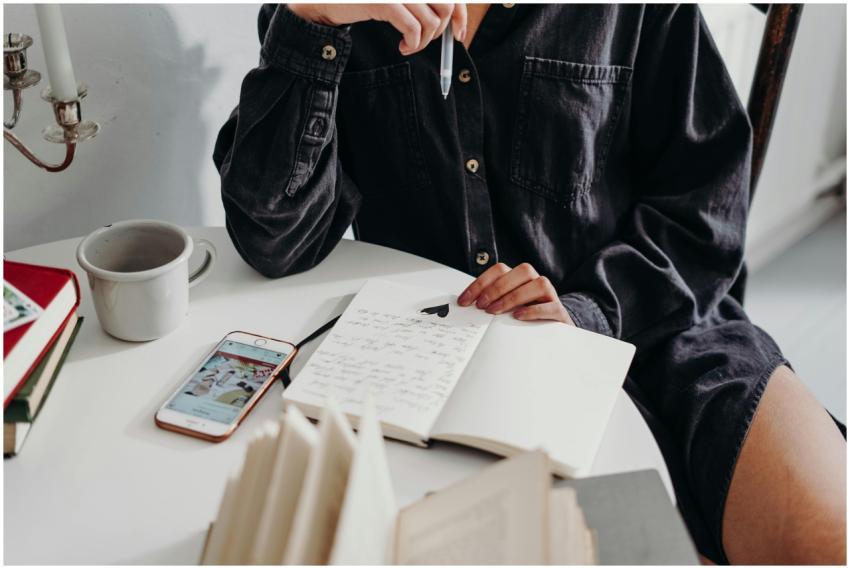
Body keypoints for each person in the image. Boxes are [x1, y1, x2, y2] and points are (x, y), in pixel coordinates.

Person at [213, 4, 846, 563]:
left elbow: (705, 212)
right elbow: (277, 241)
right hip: (464, 387)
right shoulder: (336, 14)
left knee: (827, 544)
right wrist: (314, 25)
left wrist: (586, 311)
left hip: (672, 333)